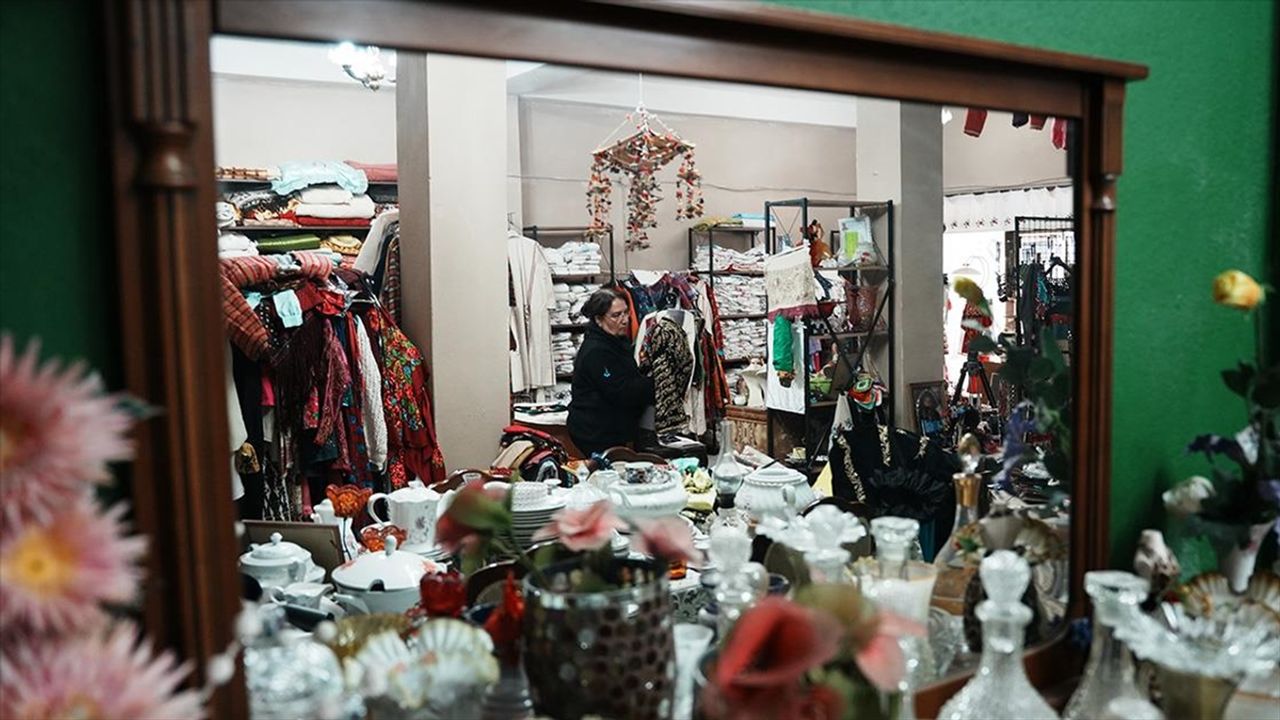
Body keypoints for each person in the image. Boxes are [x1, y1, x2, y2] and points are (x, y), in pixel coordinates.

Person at [567, 289, 654, 458]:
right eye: (616, 315)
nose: (625, 320)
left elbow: (626, 376)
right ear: (599, 319)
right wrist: (656, 383)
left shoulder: (615, 341)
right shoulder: (597, 351)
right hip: (595, 431)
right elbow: (621, 390)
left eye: (626, 313)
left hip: (610, 427)